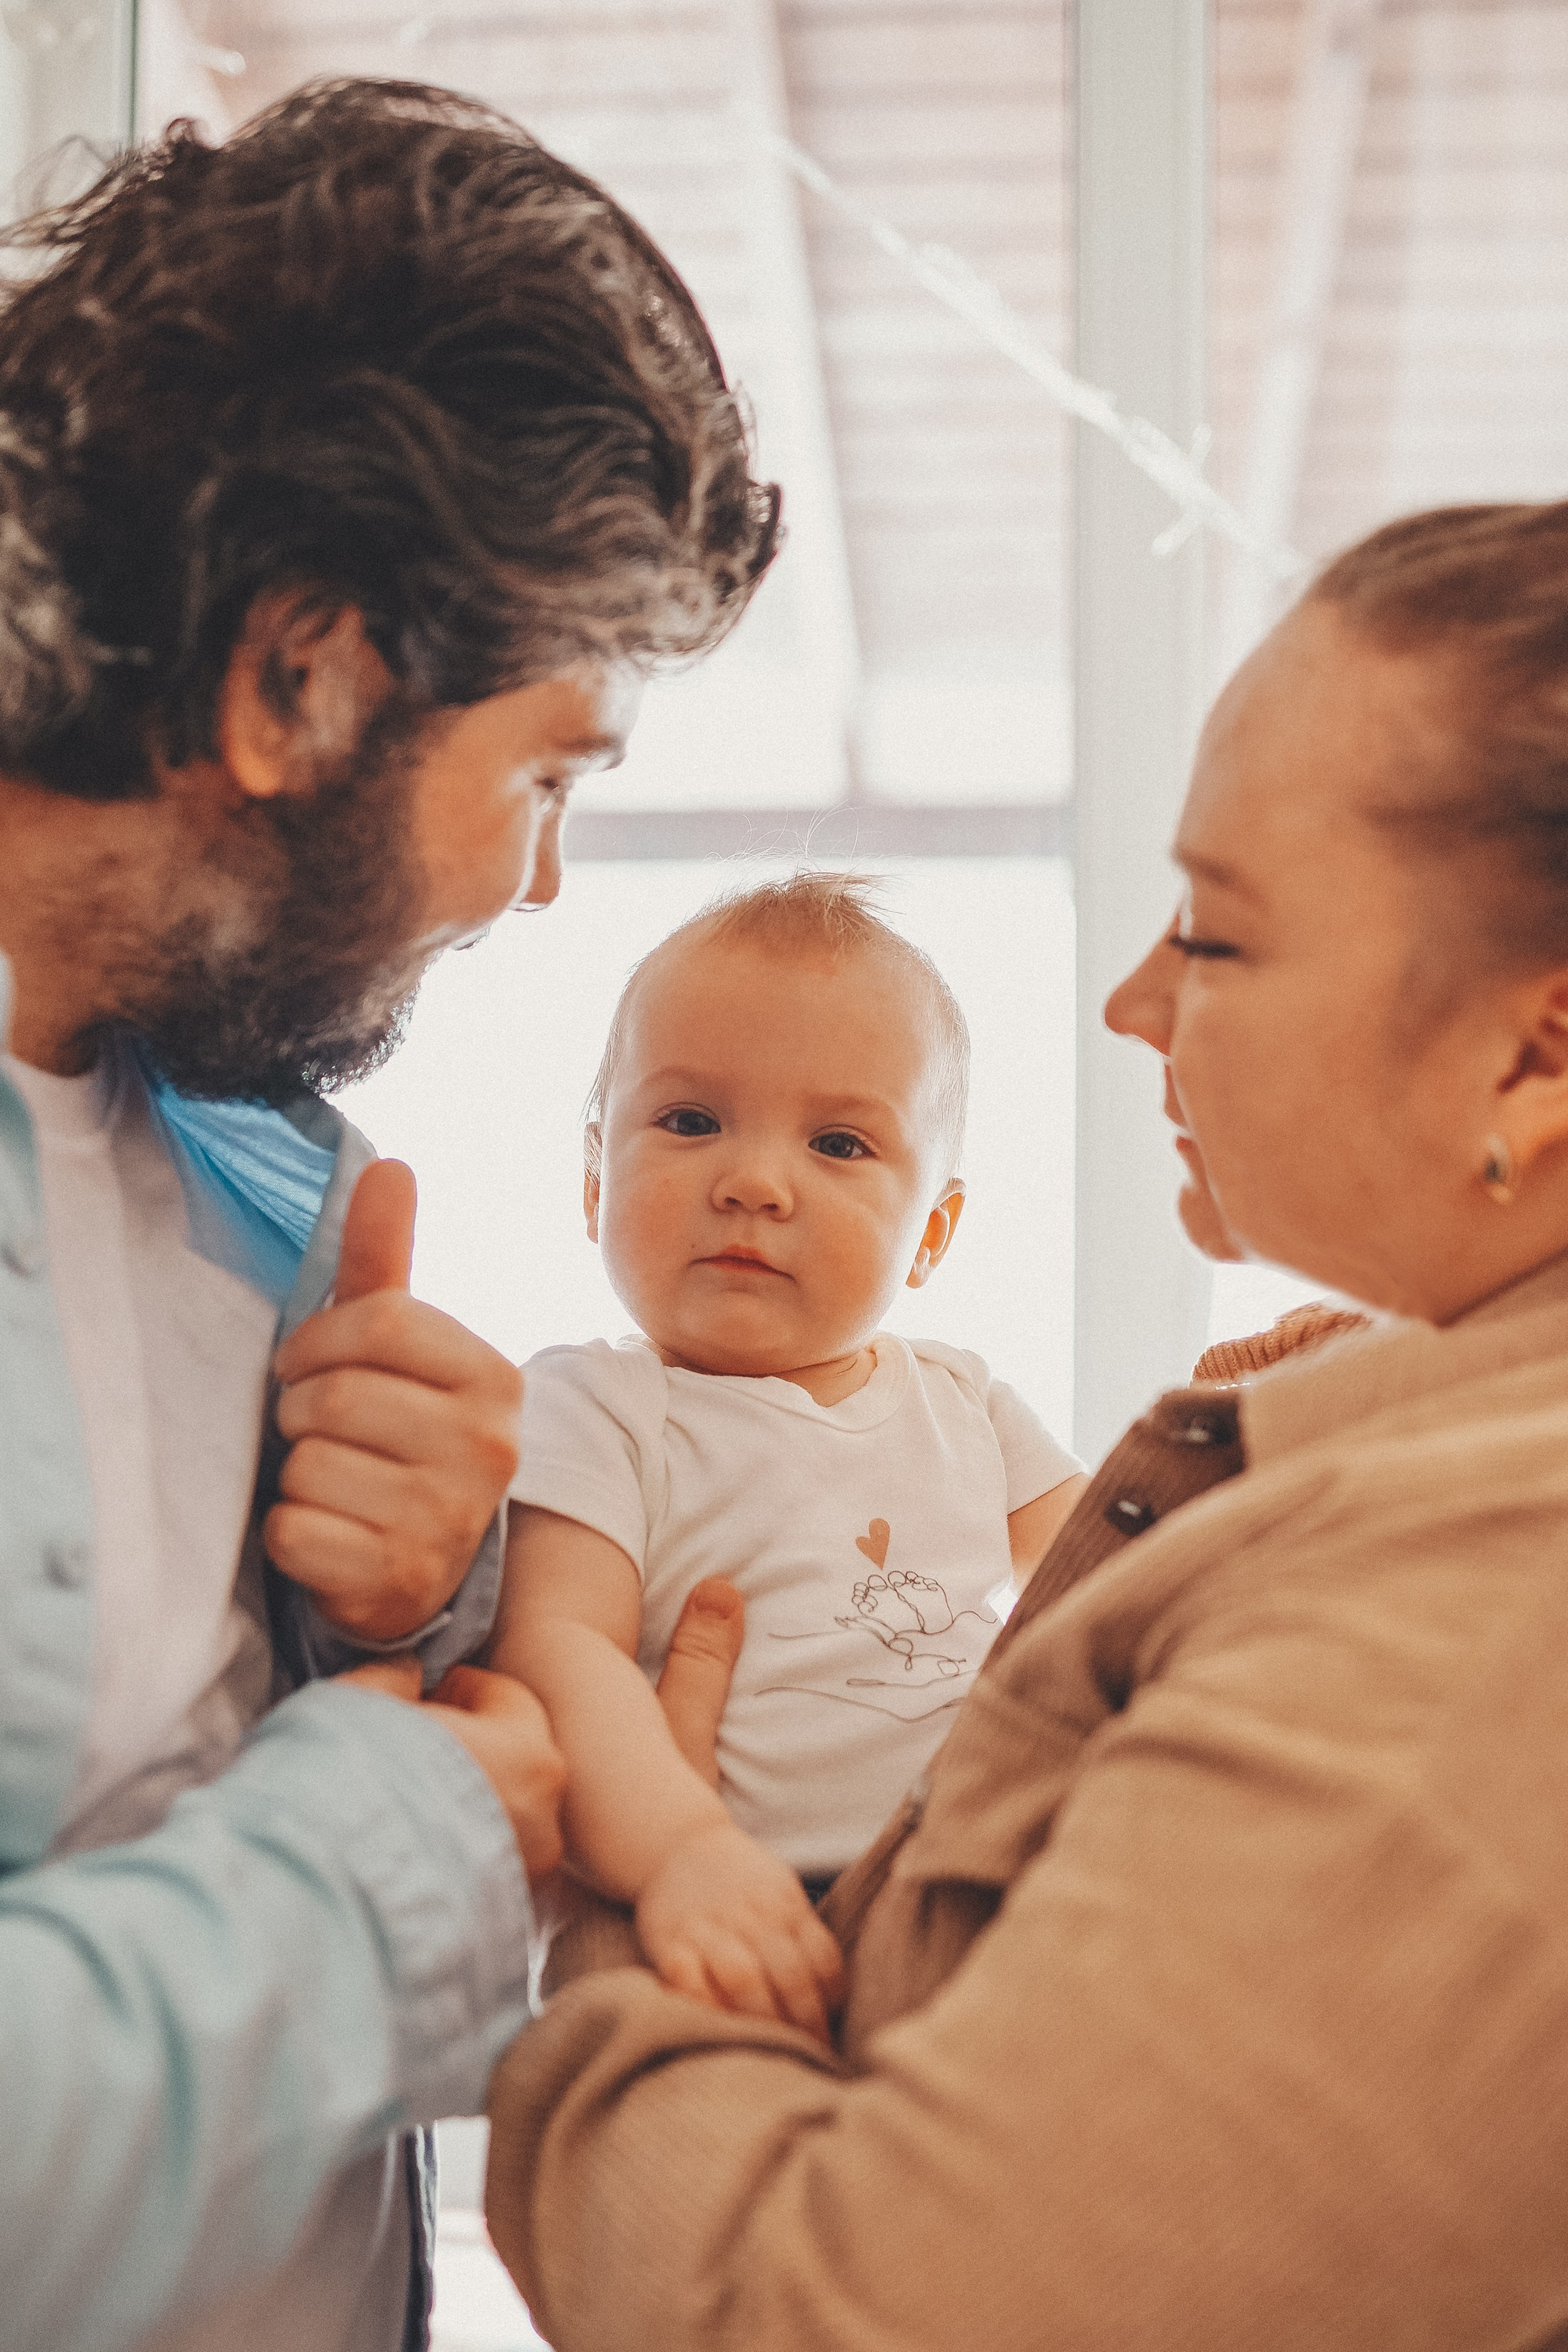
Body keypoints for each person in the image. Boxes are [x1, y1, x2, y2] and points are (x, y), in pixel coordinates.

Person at [486, 498, 1568, 2352]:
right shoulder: (1316, 1428)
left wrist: (606, 1954)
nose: (1128, 1000)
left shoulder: (1464, 1626)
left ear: (1527, 1061)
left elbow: (843, 2316)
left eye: (1213, 937)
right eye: (686, 1125)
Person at [0, 77, 779, 2352]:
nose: (542, 881)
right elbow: (370, 1850)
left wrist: (402, 1616)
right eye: (545, 772)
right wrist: (400, 1850)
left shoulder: (275, 1186)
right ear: (294, 673)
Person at [492, 874, 1086, 2039]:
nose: (754, 1183)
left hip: (980, 1886)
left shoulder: (963, 1403)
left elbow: (1120, 1578)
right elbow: (557, 1649)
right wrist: (682, 1854)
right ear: (592, 1178)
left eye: (838, 1142)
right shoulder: (597, 1407)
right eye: (690, 1121)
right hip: (730, 1897)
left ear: (932, 1234)